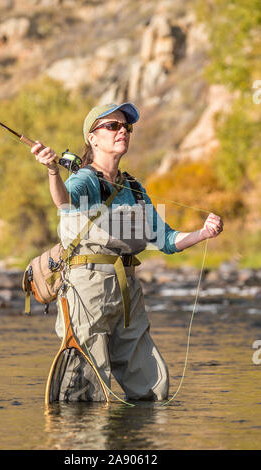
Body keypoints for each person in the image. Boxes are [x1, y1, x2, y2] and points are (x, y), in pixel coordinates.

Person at [31, 102, 223, 402]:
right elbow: (65, 203)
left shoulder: (133, 186)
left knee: (152, 387)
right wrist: (53, 171)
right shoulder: (84, 179)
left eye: (126, 127)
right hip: (87, 289)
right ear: (92, 139)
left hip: (127, 291)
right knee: (86, 392)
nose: (123, 131)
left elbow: (167, 240)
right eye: (113, 126)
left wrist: (204, 233)